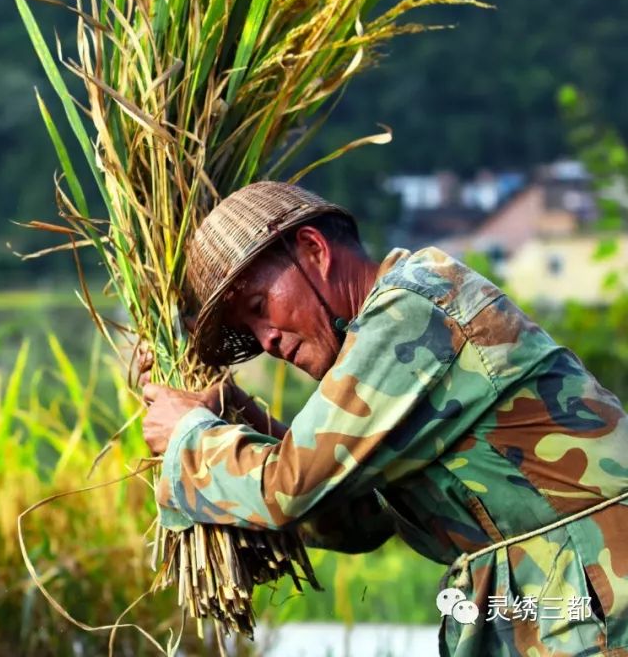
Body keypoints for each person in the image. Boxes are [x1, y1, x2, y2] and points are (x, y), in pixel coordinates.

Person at [137, 181, 628, 657]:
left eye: (261, 307)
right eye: (251, 329)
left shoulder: (412, 310)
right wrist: (232, 413)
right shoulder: (390, 345)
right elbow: (360, 522)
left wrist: (188, 436)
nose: (267, 340)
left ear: (314, 250)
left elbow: (285, 489)